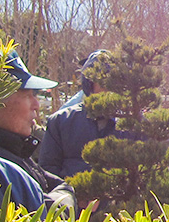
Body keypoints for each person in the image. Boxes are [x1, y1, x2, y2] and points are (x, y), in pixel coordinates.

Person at [0, 49, 75, 209]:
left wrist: (65, 192)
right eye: (28, 95)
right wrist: (66, 198)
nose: (36, 105)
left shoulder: (14, 149)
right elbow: (48, 215)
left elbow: (56, 184)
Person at [40, 50, 124, 178]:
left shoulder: (131, 124)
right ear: (89, 84)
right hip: (72, 195)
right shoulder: (61, 122)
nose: (109, 89)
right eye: (102, 82)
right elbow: (47, 171)